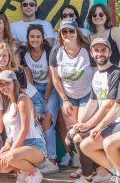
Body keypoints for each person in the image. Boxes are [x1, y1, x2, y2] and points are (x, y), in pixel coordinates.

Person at [80, 39, 120, 183]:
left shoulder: (116, 72)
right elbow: (117, 107)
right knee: (86, 145)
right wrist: (99, 126)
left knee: (109, 143)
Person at [70, 38, 120, 183]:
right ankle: (103, 171)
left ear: (110, 52)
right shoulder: (96, 74)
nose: (100, 53)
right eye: (96, 50)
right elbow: (92, 102)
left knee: (78, 139)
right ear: (91, 53)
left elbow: (109, 105)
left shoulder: (116, 73)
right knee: (71, 136)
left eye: (103, 50)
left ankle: (88, 177)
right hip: (105, 121)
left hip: (117, 121)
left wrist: (89, 125)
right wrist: (79, 123)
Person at [49, 19, 93, 169]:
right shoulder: (56, 51)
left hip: (87, 93)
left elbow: (97, 71)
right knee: (72, 131)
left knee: (82, 128)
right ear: (60, 34)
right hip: (68, 96)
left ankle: (91, 166)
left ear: (77, 32)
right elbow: (55, 78)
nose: (68, 34)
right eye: (64, 31)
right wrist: (64, 99)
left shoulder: (87, 49)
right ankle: (81, 165)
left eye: (71, 31)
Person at [0, 70, 46, 183]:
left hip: (34, 144)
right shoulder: (9, 102)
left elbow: (24, 130)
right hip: (18, 146)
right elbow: (11, 132)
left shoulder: (23, 100)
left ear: (14, 83)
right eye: (1, 84)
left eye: (7, 83)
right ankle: (22, 171)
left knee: (10, 157)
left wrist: (12, 150)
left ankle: (34, 172)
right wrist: (7, 144)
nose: (4, 86)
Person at [20, 25, 59, 172]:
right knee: (36, 122)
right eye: (32, 37)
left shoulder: (50, 51)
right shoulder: (23, 53)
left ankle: (52, 160)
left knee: (47, 121)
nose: (35, 39)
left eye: (38, 36)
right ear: (28, 39)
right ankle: (39, 160)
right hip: (34, 90)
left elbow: (52, 78)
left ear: (42, 38)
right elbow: (28, 79)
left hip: (51, 88)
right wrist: (35, 99)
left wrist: (45, 98)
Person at [87, 3, 120, 69]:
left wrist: (119, 71)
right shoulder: (89, 38)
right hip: (99, 76)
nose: (97, 17)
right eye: (94, 15)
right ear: (91, 18)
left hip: (116, 72)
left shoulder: (115, 31)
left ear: (106, 16)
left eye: (101, 14)